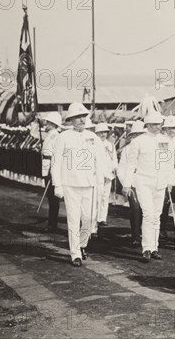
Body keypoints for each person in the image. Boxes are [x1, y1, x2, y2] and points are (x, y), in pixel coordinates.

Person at [51, 102, 106, 267]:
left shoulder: (93, 137)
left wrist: (101, 184)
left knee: (89, 219)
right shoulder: (63, 137)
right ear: (71, 120)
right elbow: (57, 162)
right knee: (73, 220)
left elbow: (100, 162)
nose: (82, 120)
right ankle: (75, 254)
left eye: (84, 116)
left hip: (89, 184)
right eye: (78, 117)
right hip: (70, 184)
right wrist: (57, 185)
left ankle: (82, 245)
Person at [123, 112, 172, 262]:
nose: (158, 127)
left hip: (160, 183)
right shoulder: (138, 141)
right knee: (148, 214)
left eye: (159, 124)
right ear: (148, 125)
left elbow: (167, 163)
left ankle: (154, 247)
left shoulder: (165, 140)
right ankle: (146, 248)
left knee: (156, 215)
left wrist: (169, 181)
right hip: (143, 183)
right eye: (155, 124)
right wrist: (126, 184)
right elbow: (130, 164)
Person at [117, 121, 146, 246]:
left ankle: (145, 234)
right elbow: (121, 169)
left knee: (146, 209)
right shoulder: (127, 150)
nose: (139, 137)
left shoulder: (148, 148)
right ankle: (135, 236)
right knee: (135, 208)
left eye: (141, 134)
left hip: (145, 182)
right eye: (137, 134)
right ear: (133, 136)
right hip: (131, 182)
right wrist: (125, 184)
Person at [40, 112, 62, 233]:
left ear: (53, 124)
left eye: (47, 122)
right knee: (50, 197)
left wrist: (51, 172)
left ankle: (52, 224)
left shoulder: (55, 136)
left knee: (53, 198)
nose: (45, 124)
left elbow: (56, 155)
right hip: (46, 167)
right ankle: (52, 222)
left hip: (51, 168)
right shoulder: (50, 135)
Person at [94, 123, 118, 229]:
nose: (103, 134)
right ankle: (95, 218)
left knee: (105, 197)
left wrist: (115, 168)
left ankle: (102, 218)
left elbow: (114, 159)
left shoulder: (110, 145)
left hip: (108, 174)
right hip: (97, 175)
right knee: (97, 197)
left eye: (105, 132)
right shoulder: (93, 144)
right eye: (100, 132)